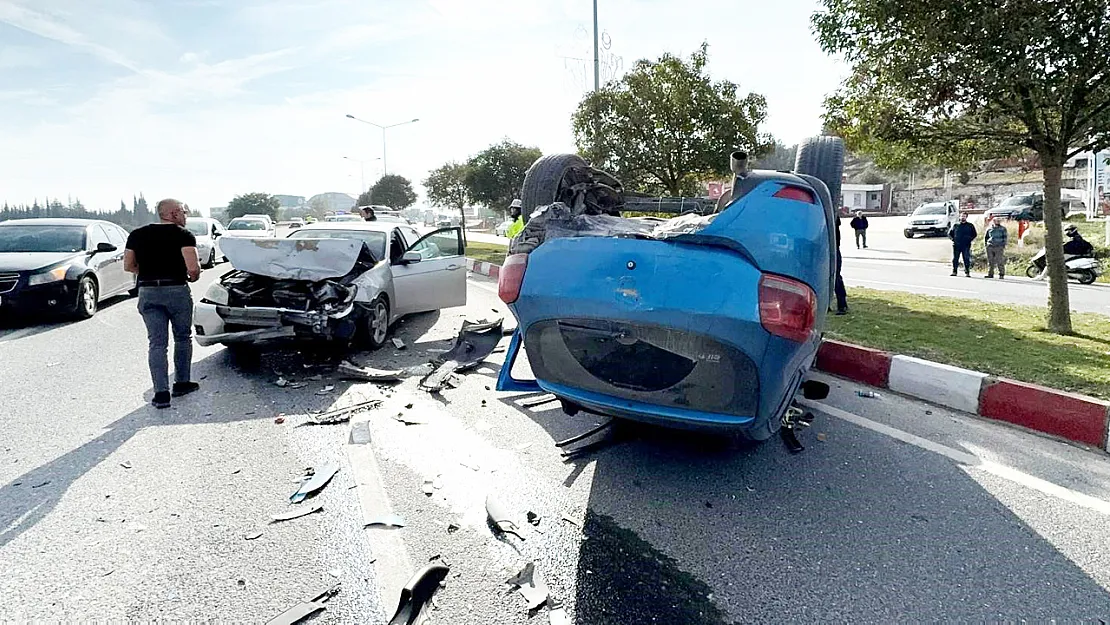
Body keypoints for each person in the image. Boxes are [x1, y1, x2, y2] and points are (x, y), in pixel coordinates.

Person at [124, 198, 202, 409]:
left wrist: (149, 274)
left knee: (157, 343)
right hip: (176, 290)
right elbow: (193, 269)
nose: (186, 215)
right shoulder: (183, 235)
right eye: (184, 211)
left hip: (148, 292)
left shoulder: (137, 234)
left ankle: (161, 394)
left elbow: (129, 265)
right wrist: (192, 278)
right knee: (182, 337)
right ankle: (182, 383)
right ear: (174, 213)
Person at [948, 212, 977, 276]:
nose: (962, 217)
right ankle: (954, 271)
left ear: (966, 217)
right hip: (956, 245)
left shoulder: (970, 225)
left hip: (966, 245)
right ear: (959, 217)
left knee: (966, 258)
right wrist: (953, 240)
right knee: (955, 259)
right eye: (961, 216)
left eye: (964, 216)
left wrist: (969, 239)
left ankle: (967, 272)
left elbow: (974, 234)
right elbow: (949, 234)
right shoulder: (956, 225)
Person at [834, 213, 848, 315]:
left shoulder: (832, 222)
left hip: (833, 251)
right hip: (834, 250)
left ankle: (842, 305)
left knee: (836, 278)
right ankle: (842, 305)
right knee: (836, 278)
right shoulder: (834, 221)